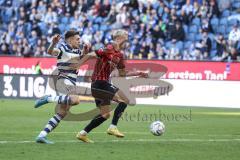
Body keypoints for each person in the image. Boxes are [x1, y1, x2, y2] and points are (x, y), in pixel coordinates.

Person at [76, 29, 148, 143]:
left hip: (102, 85)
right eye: (126, 35)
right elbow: (91, 55)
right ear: (119, 38)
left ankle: (82, 134)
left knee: (105, 115)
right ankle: (113, 127)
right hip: (99, 83)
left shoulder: (119, 55)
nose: (127, 37)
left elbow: (123, 74)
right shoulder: (108, 48)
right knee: (124, 100)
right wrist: (82, 57)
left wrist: (138, 73)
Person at [34, 30, 91, 144]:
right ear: (70, 39)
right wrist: (53, 43)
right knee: (75, 100)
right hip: (64, 80)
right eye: (77, 39)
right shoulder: (63, 48)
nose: (79, 41)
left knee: (62, 112)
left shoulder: (77, 51)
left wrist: (85, 52)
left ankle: (42, 135)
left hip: (71, 81)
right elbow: (50, 51)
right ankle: (48, 98)